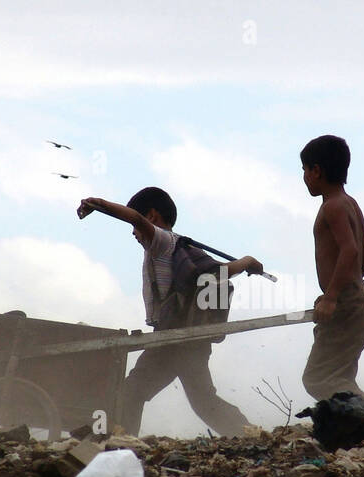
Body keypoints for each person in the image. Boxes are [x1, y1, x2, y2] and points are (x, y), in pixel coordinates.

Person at [77, 187, 260, 437]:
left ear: (152, 216)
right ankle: (246, 432)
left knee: (133, 391)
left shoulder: (161, 242)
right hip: (186, 341)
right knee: (201, 400)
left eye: (135, 226)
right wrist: (247, 261)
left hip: (173, 339)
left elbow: (135, 218)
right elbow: (220, 273)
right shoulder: (179, 248)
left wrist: (98, 204)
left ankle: (122, 441)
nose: (133, 232)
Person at [299, 135, 364, 400]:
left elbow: (350, 250)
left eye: (304, 170)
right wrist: (335, 293)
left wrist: (332, 296)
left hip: (349, 305)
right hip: (362, 303)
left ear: (316, 170)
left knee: (318, 379)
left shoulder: (332, 206)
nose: (304, 177)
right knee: (339, 380)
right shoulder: (350, 203)